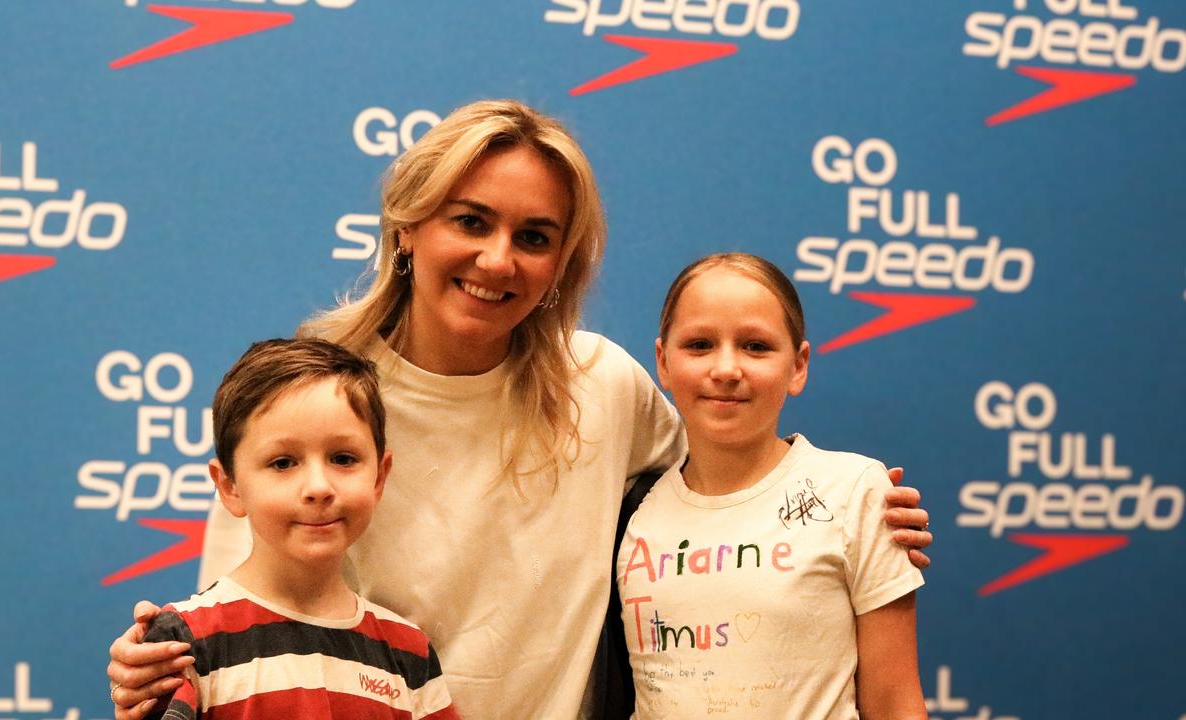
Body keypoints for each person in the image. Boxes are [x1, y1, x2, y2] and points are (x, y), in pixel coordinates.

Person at [108, 100, 933, 720]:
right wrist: (153, 666)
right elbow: (237, 612)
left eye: (535, 238)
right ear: (407, 227)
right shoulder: (316, 401)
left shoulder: (602, 385)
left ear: (561, 264)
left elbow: (728, 477)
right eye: (471, 221)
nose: (497, 259)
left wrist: (848, 509)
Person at [617, 253, 926, 719]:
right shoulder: (632, 513)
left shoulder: (854, 491)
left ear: (798, 366)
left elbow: (894, 702)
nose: (725, 368)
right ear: (662, 361)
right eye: (699, 344)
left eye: (756, 347)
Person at [140, 338, 458, 719]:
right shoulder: (184, 643)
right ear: (229, 487)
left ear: (379, 478)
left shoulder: (410, 654)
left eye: (343, 458)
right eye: (283, 463)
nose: (319, 487)